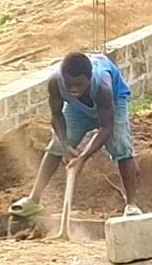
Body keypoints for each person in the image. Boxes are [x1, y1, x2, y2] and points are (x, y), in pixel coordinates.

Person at [12, 49, 142, 221]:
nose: (73, 89)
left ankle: (131, 205)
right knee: (56, 145)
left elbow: (106, 128)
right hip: (76, 108)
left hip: (113, 103)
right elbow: (57, 116)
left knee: (120, 145)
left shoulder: (103, 86)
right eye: (69, 85)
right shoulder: (55, 83)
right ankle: (34, 199)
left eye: (79, 85)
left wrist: (82, 157)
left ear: (89, 78)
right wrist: (66, 146)